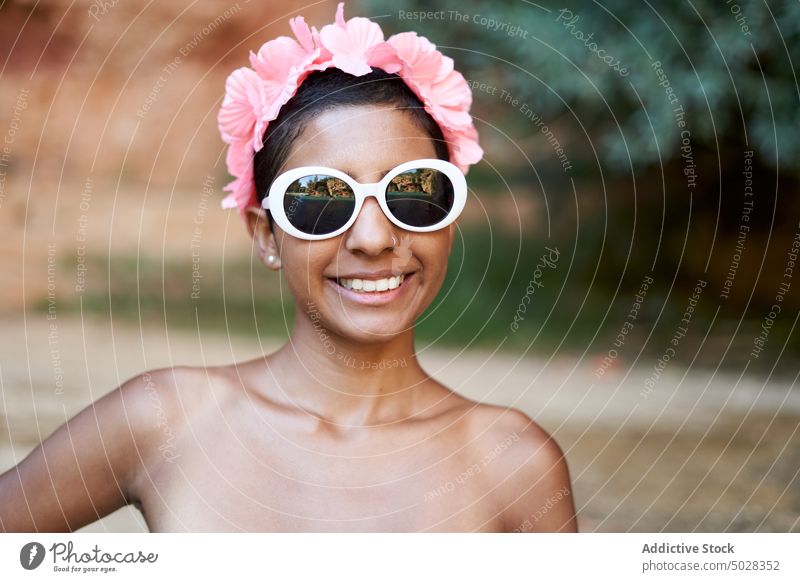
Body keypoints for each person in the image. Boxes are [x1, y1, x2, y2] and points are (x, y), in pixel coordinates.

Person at [0, 3, 577, 533]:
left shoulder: (512, 463)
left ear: (449, 220)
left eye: (412, 193)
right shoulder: (166, 420)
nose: (374, 239)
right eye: (321, 198)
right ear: (266, 235)